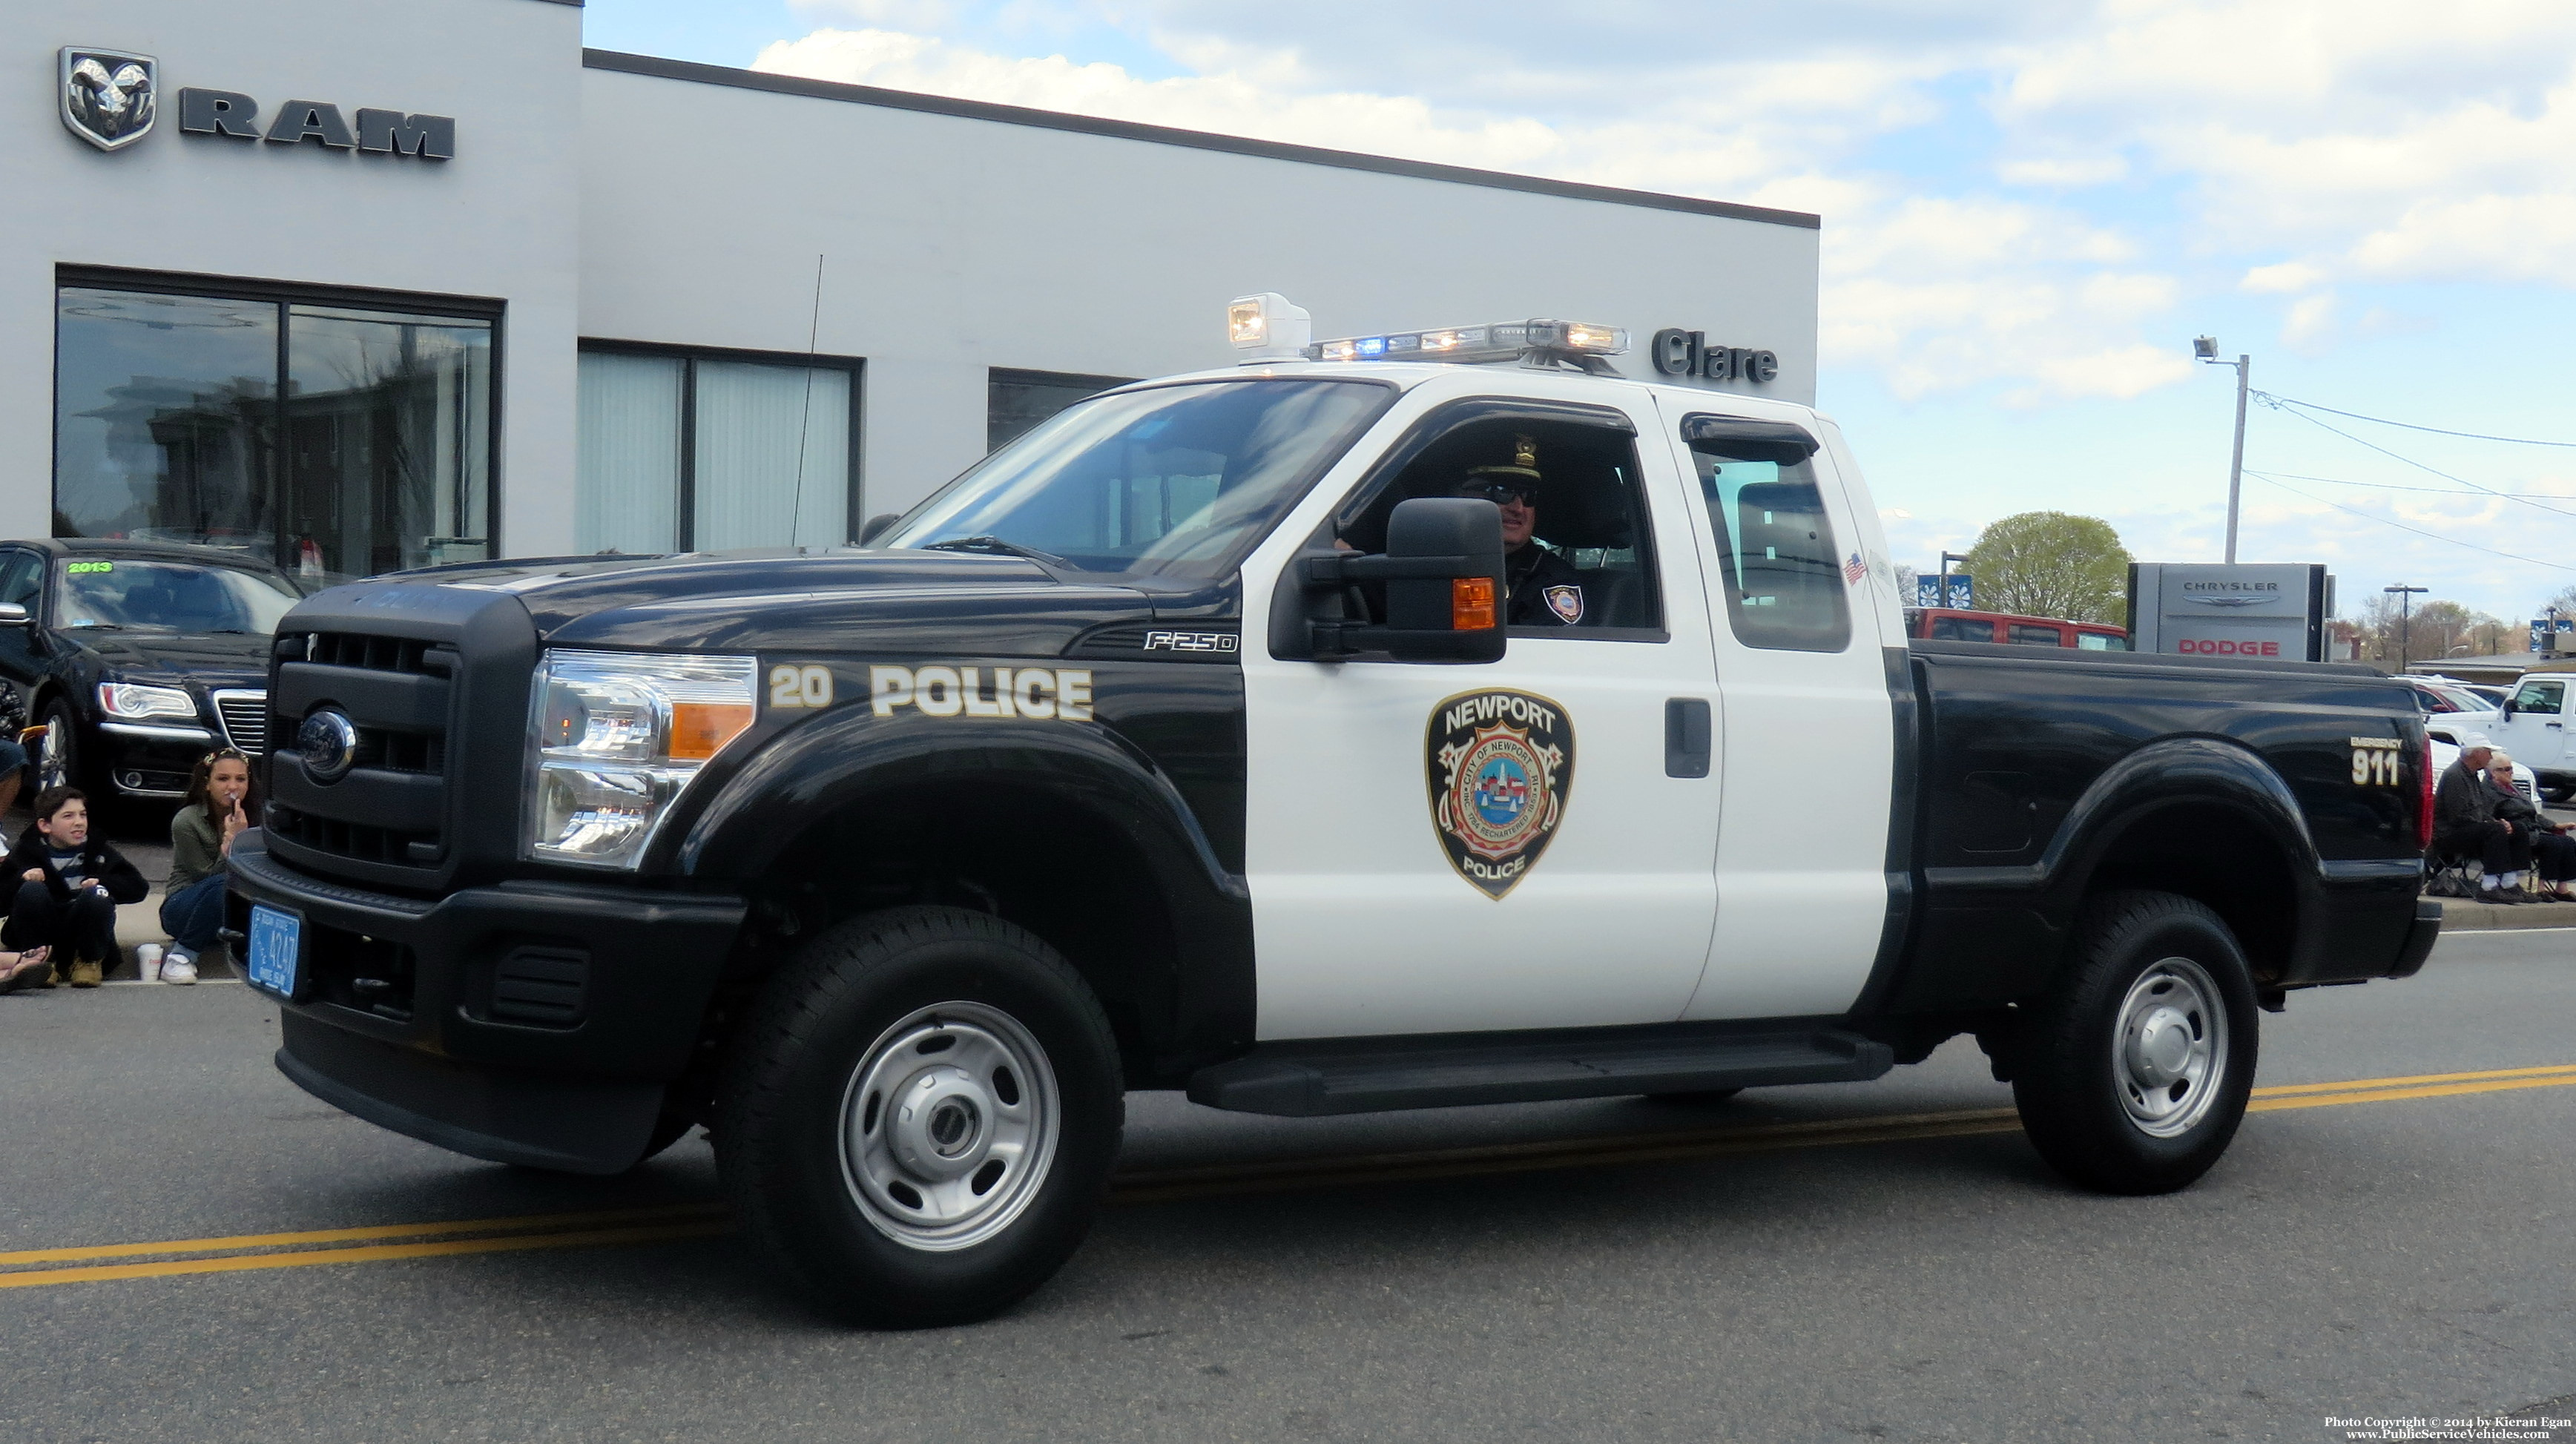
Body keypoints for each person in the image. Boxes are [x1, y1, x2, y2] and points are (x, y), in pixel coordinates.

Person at [3, 786, 148, 988]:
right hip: (42, 930)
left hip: (81, 930)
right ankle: (38, 961)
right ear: (45, 825)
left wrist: (103, 882)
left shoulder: (98, 850)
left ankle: (89, 961)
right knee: (32, 890)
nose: (79, 822)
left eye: (83, 815)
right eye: (68, 816)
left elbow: (138, 888)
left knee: (97, 894)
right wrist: (21, 878)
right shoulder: (26, 852)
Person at [1452, 433, 1584, 627]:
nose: (1518, 508)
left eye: (1528, 495)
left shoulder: (1551, 580)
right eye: (1504, 492)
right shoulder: (1424, 561)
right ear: (1460, 496)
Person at [160, 748, 254, 984]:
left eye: (240, 779)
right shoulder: (187, 820)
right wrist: (231, 846)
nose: (233, 787)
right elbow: (204, 878)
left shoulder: (259, 819)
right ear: (207, 784)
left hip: (233, 912)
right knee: (225, 883)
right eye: (223, 779)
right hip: (183, 908)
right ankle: (181, 957)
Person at [2430, 735, 2529, 901]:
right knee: (2495, 830)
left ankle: (2509, 883)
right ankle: (2489, 887)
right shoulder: (2455, 775)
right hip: (2449, 835)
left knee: (2517, 828)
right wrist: (2491, 825)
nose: (2491, 757)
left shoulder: (2472, 774)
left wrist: (2497, 821)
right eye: (2488, 752)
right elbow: (2458, 816)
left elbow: (2481, 808)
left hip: (2469, 828)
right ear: (2476, 754)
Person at [2488, 752, 2576, 901]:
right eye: (2507, 769)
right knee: (2553, 844)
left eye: (2511, 769)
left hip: (2532, 830)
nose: (2511, 773)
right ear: (2494, 772)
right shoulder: (2490, 791)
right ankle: (2540, 887)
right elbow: (2487, 814)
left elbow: (2533, 814)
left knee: (2568, 842)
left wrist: (2555, 825)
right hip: (2516, 834)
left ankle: (2561, 887)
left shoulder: (2514, 788)